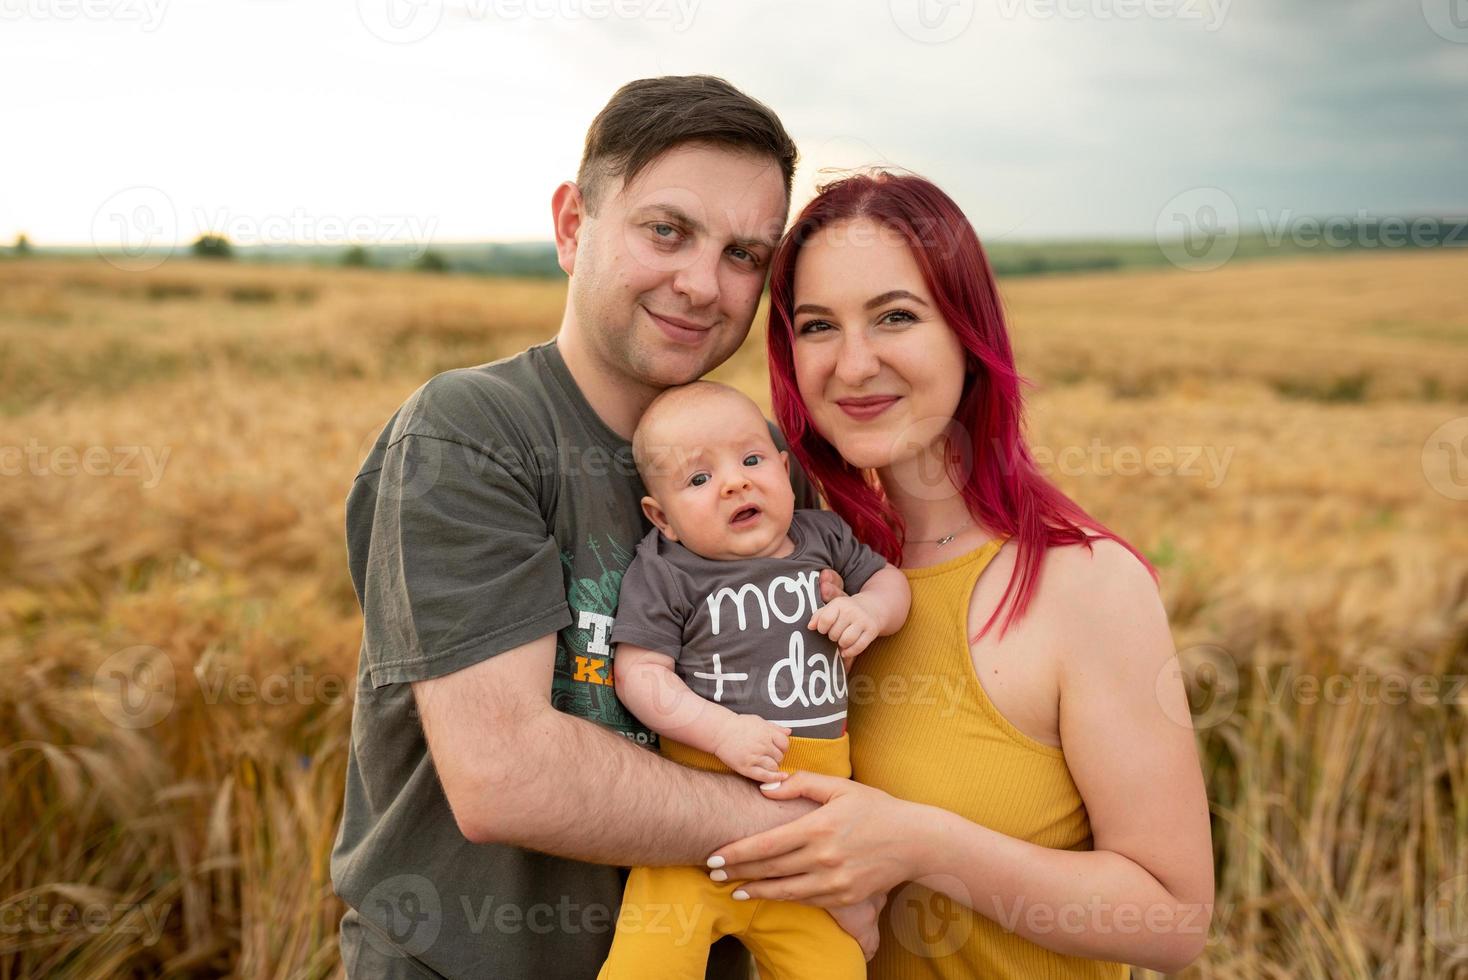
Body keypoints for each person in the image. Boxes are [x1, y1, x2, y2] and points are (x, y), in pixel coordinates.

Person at [330, 76, 878, 979]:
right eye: (667, 230)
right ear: (572, 224)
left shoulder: (760, 464)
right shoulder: (472, 432)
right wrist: (827, 848)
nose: (703, 284)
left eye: (745, 254)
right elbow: (505, 774)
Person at [703, 171, 1216, 977]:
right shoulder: (800, 568)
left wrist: (917, 844)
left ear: (967, 335)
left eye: (895, 317)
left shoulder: (1084, 585)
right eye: (817, 326)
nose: (853, 363)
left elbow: (1172, 919)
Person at [596, 381, 911, 978]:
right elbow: (639, 674)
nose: (735, 483)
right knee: (648, 963)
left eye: (751, 459)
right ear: (661, 517)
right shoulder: (667, 572)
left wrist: (871, 611)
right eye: (698, 479)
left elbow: (891, 583)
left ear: (786, 471)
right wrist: (721, 731)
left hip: (805, 849)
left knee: (837, 968)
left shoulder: (825, 538)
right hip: (692, 843)